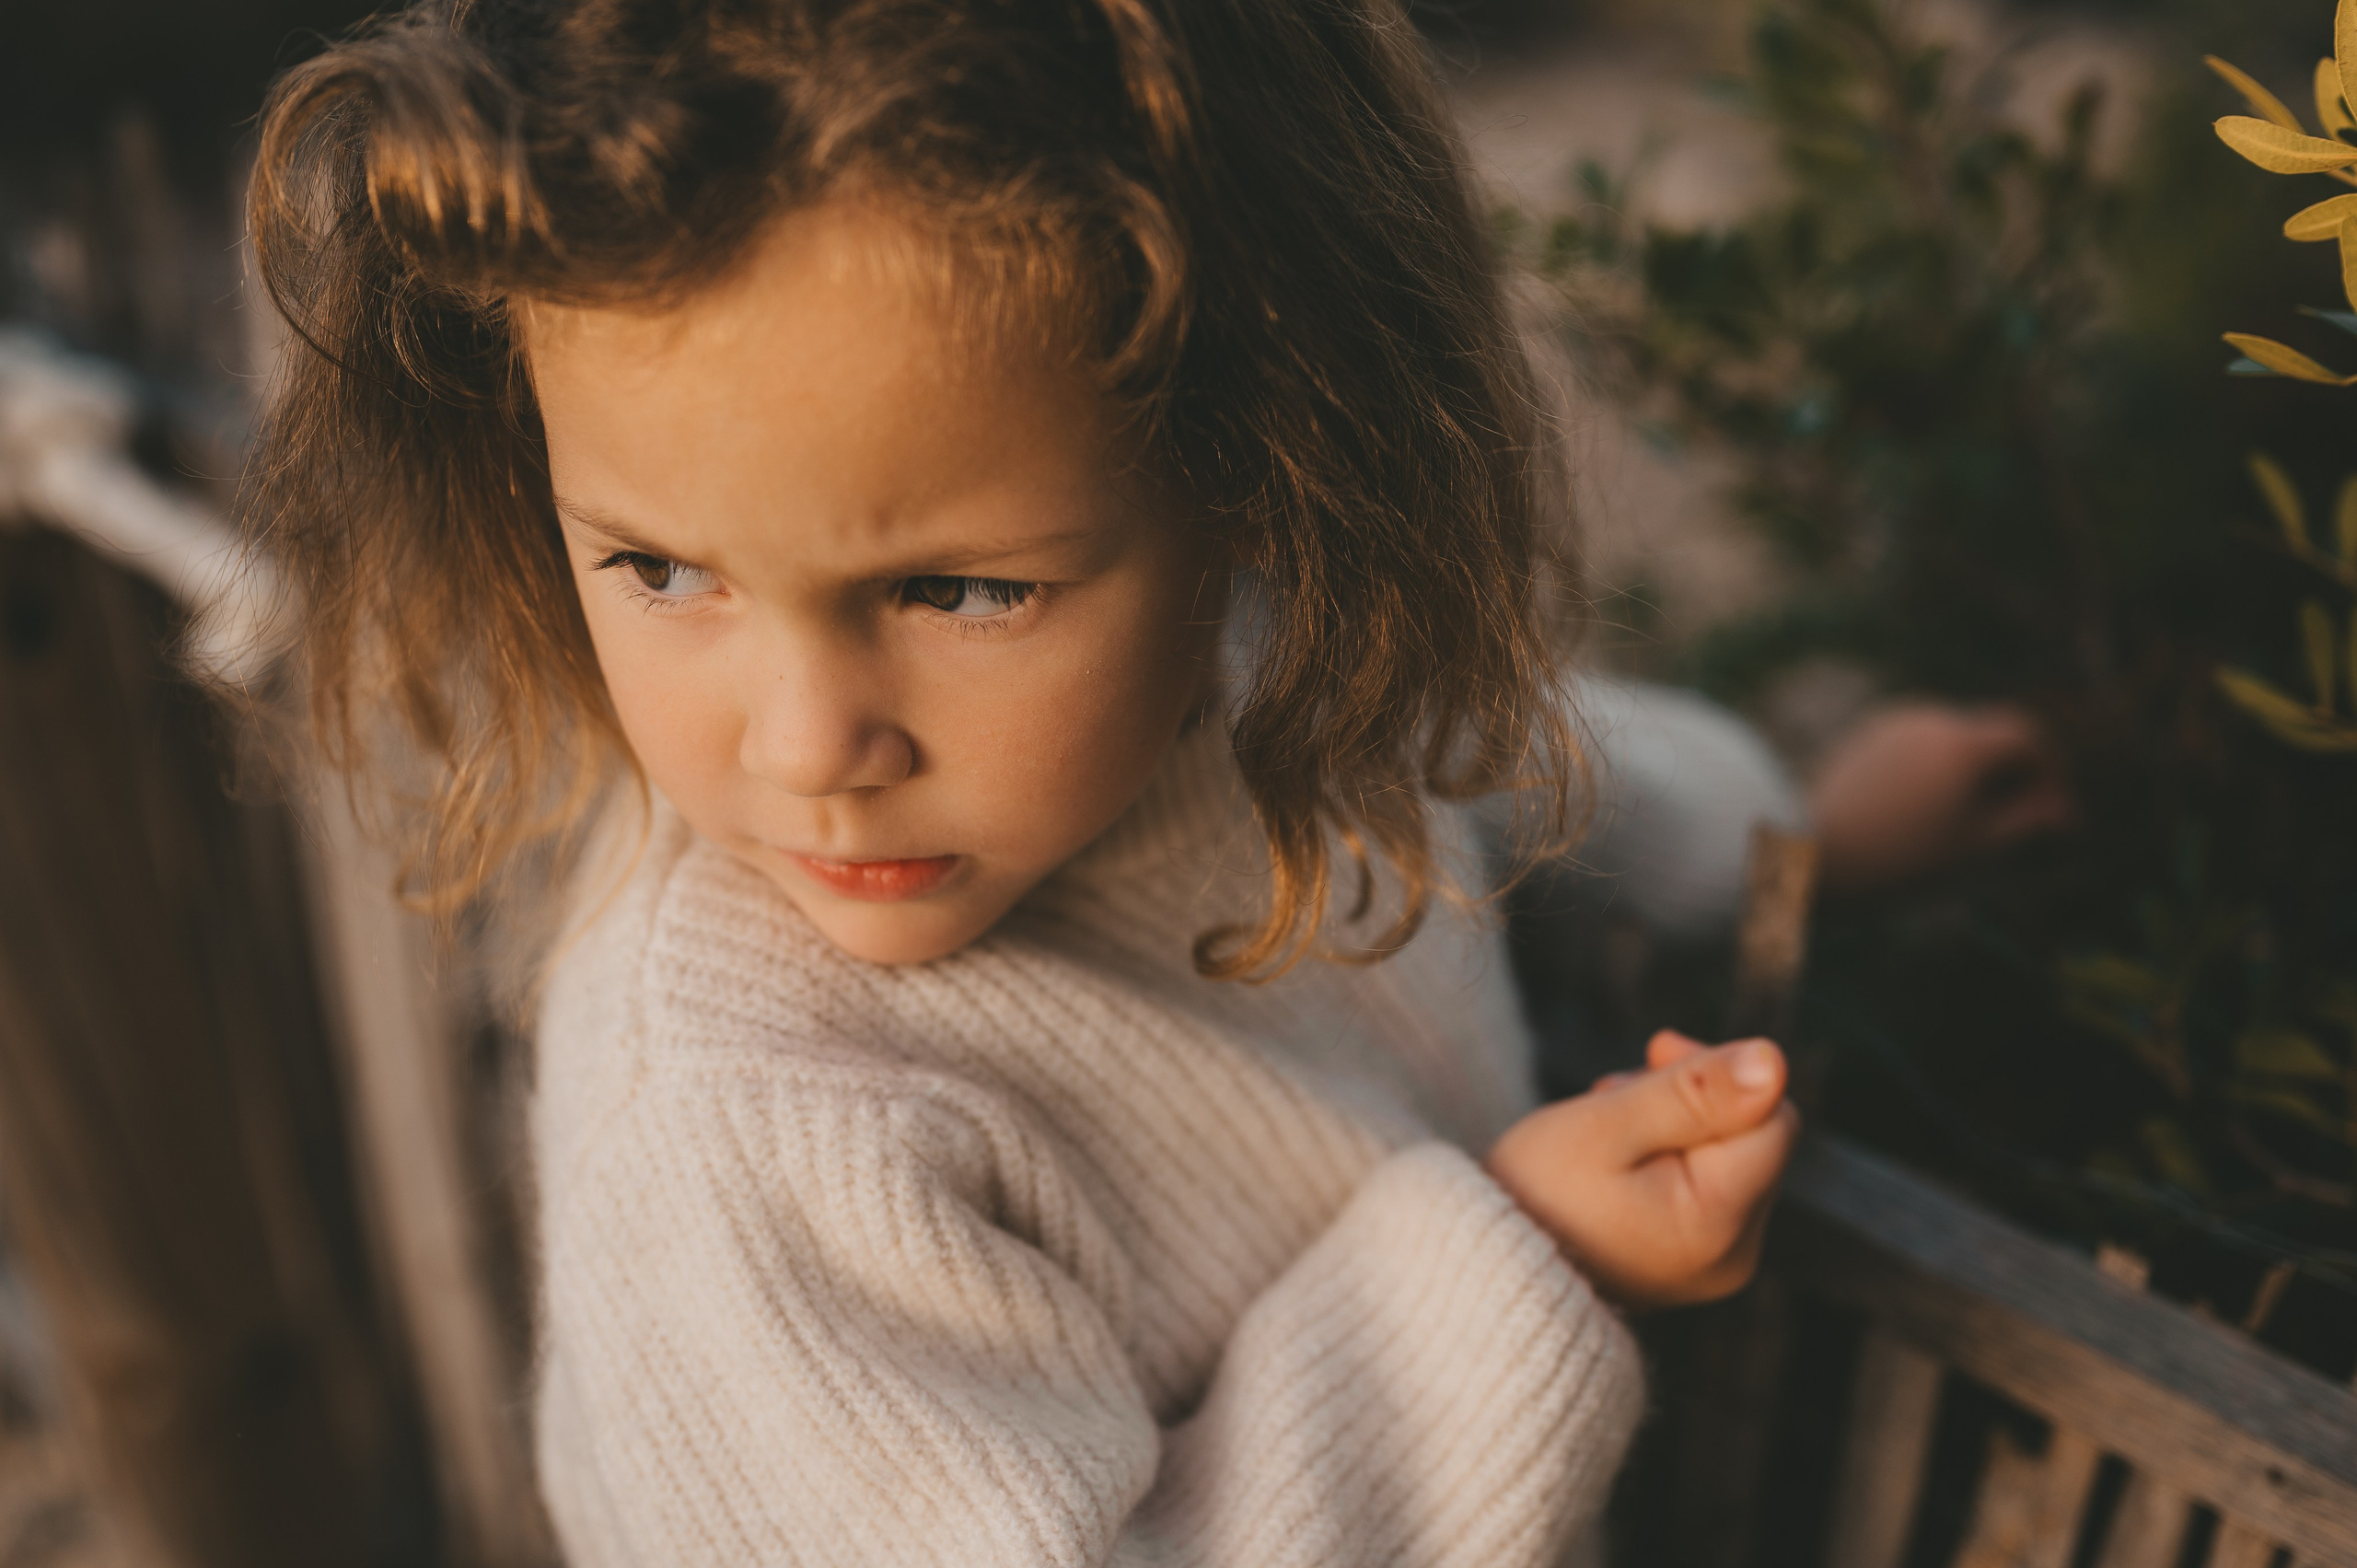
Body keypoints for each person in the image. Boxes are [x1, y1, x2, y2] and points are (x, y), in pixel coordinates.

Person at [235, 2, 2046, 1562]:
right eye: (660, 571)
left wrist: (1796, 834)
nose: (802, 750)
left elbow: (1481, 759)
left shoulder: (1236, 670)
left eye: (956, 591)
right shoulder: (744, 1130)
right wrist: (1523, 1261)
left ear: (1256, 473)